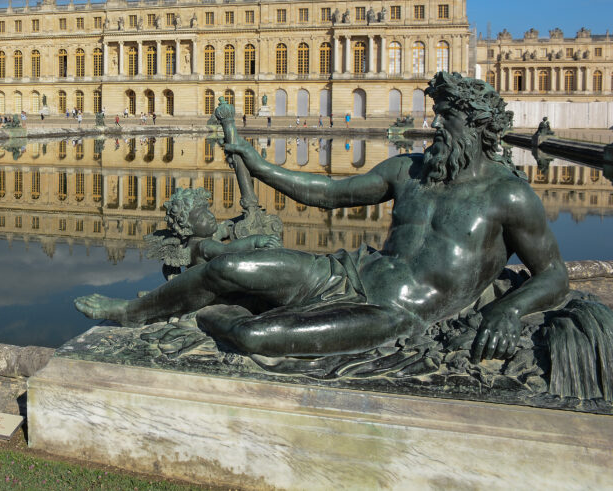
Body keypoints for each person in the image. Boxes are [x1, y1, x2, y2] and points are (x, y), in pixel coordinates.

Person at [76, 72, 569, 363]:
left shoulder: (510, 196)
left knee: (254, 337)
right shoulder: (409, 170)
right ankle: (131, 313)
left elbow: (554, 275)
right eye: (436, 115)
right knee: (227, 267)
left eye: (446, 119)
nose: (434, 125)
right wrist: (255, 159)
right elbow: (328, 193)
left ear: (477, 126)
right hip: (347, 273)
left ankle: (222, 312)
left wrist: (508, 309)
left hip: (394, 312)